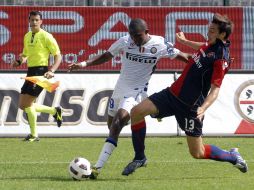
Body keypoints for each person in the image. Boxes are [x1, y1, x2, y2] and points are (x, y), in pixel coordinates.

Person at [122, 13, 248, 176]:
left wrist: (203, 108)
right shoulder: (210, 44)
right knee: (137, 112)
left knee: (198, 153)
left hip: (190, 107)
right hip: (171, 94)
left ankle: (232, 156)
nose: (208, 32)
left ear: (222, 35)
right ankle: (140, 157)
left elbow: (215, 89)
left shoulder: (220, 58)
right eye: (209, 29)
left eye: (212, 30)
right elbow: (201, 48)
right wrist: (184, 42)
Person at [68, 18, 190, 179]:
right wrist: (83, 64)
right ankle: (151, 113)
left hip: (136, 92)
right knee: (111, 125)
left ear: (147, 32)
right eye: (132, 35)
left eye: (138, 36)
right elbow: (106, 56)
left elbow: (184, 57)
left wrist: (205, 63)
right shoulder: (125, 41)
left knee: (118, 122)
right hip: (119, 90)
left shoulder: (159, 44)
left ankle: (97, 168)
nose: (135, 39)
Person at [10, 11, 63, 142]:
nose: (34, 22)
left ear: (41, 21)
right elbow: (25, 54)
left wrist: (52, 70)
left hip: (41, 72)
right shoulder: (27, 36)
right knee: (23, 105)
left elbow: (58, 55)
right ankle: (54, 111)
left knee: (28, 104)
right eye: (32, 20)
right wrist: (19, 61)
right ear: (29, 21)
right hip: (30, 71)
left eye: (36, 20)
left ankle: (34, 135)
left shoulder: (47, 36)